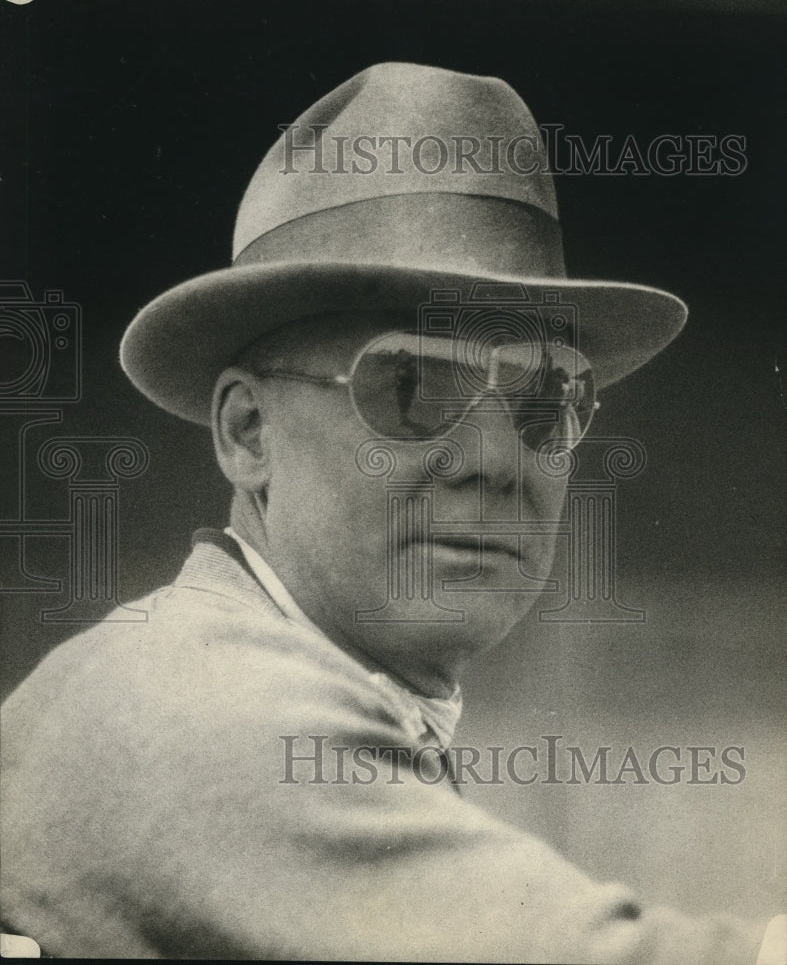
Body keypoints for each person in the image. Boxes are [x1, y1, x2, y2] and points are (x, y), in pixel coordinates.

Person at [1, 63, 780, 962]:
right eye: (411, 384)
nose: (494, 462)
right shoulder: (183, 700)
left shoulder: (323, 695)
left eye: (544, 398)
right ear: (249, 432)